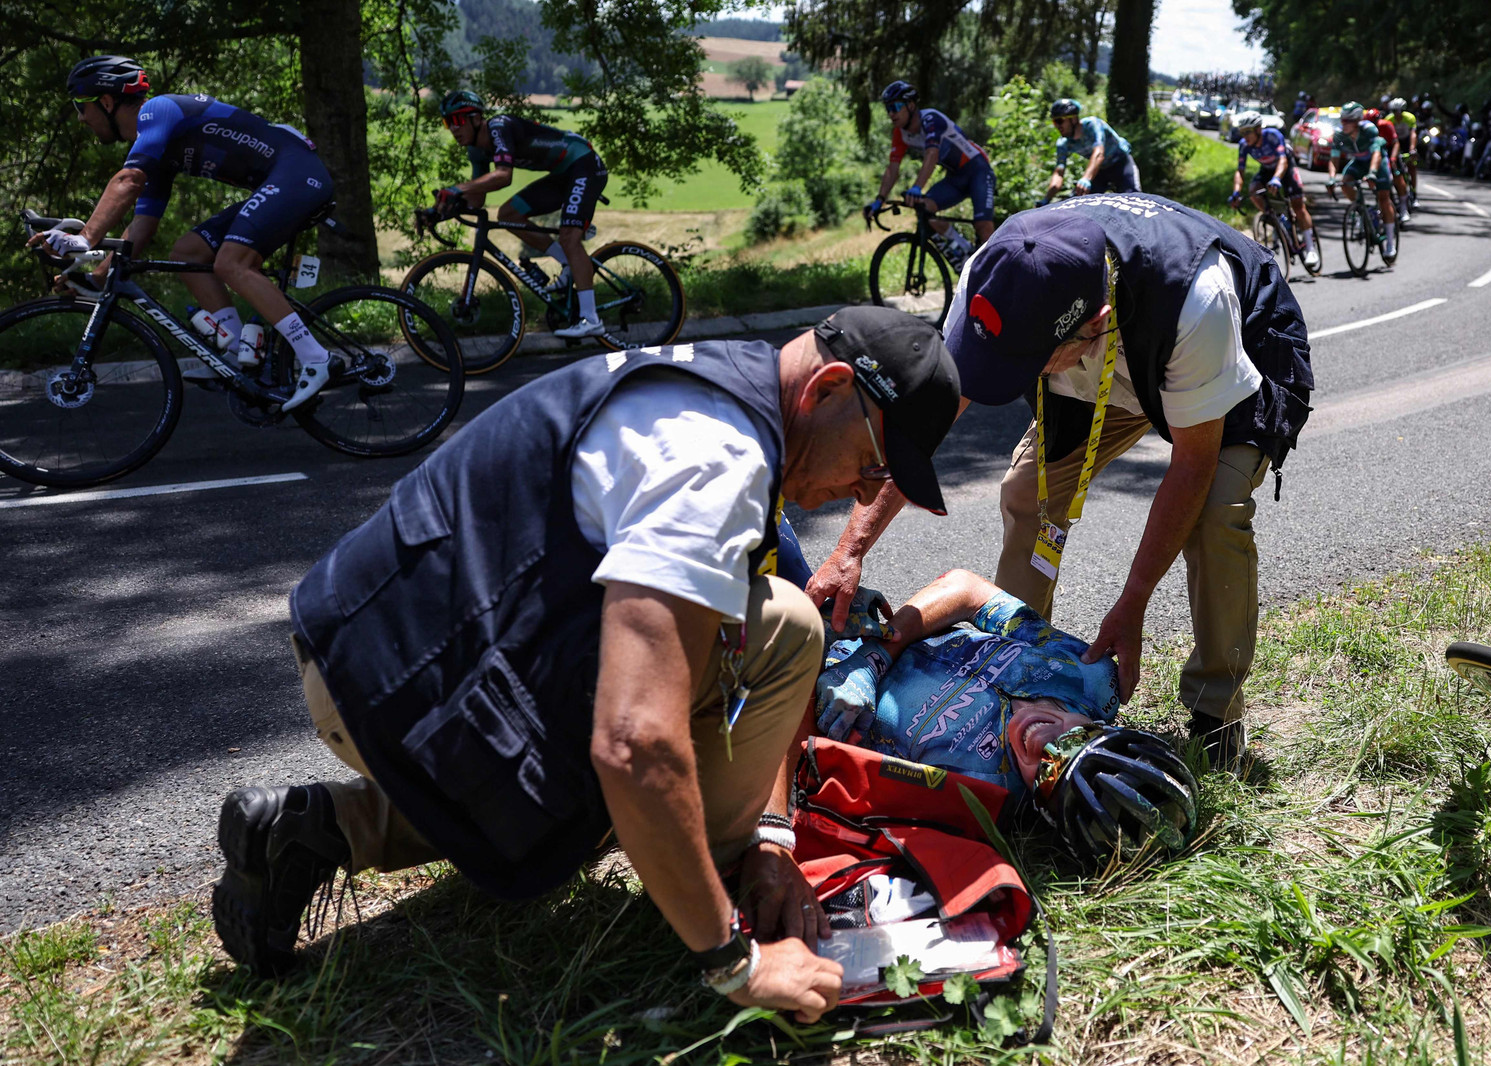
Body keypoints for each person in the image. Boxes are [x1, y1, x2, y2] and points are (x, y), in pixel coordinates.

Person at [209, 306, 964, 1024]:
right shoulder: (717, 459)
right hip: (391, 683)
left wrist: (771, 836)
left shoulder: (734, 391)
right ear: (827, 389)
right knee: (634, 788)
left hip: (389, 645)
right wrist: (735, 964)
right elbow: (634, 743)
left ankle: (323, 828)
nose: (865, 492)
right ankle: (706, 906)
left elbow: (732, 638)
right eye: (873, 464)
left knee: (783, 624)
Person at [808, 195, 1313, 770]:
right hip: (1101, 368)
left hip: (1228, 350)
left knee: (1215, 512)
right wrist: (850, 550)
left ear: (1093, 326)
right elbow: (923, 427)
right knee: (1027, 493)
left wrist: (1133, 602)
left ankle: (1216, 714)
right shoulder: (996, 277)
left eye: (1023, 362)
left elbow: (1192, 465)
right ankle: (1010, 667)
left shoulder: (1197, 300)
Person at [813, 568, 1198, 864]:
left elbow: (823, 761)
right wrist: (875, 654)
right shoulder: (1088, 676)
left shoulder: (975, 794)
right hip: (872, 630)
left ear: (1046, 814)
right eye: (1076, 740)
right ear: (1103, 727)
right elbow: (967, 589)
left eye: (1049, 775)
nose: (1043, 744)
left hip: (806, 670)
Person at [29, 56, 337, 410]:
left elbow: (129, 180)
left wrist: (83, 238)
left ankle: (316, 358)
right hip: (284, 180)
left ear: (107, 102)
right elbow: (142, 227)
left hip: (297, 175)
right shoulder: (156, 148)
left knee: (231, 263)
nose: (81, 119)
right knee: (188, 252)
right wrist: (97, 279)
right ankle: (237, 354)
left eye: (81, 107)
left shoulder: (157, 111)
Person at [435, 90, 610, 338]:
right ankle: (568, 263)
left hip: (584, 164)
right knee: (509, 214)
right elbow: (476, 200)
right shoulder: (476, 151)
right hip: (563, 174)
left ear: (476, 118)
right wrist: (439, 211)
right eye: (447, 122)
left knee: (569, 237)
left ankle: (591, 319)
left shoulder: (498, 127)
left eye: (458, 120)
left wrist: (456, 189)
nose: (453, 128)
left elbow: (503, 176)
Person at [864, 80, 996, 267]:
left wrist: (917, 187)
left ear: (911, 105)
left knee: (983, 225)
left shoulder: (931, 119)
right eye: (888, 109)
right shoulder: (900, 133)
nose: (891, 113)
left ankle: (999, 271)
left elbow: (932, 154)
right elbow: (893, 168)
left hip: (978, 170)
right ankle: (964, 250)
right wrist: (879, 200)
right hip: (955, 178)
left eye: (895, 107)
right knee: (926, 209)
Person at [1228, 110, 1320, 271]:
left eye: (1247, 132)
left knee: (1298, 205)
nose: (1244, 136)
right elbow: (1240, 171)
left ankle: (1311, 249)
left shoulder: (1272, 135)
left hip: (1286, 167)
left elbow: (1283, 160)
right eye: (1242, 132)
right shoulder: (1244, 145)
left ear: (1258, 129)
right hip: (1267, 169)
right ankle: (1277, 218)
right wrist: (1236, 192)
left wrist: (1277, 179)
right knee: (1254, 191)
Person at [1327, 102, 1398, 259]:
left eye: (1348, 121)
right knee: (1345, 184)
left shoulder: (1369, 130)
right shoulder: (1339, 135)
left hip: (1377, 163)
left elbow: (1376, 153)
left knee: (1384, 198)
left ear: (1358, 121)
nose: (1344, 124)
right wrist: (1331, 178)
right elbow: (1334, 159)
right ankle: (1362, 209)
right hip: (1359, 162)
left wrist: (1372, 173)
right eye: (1343, 120)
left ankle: (1390, 242)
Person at [1042, 99, 1141, 201]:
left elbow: (1099, 153)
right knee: (1079, 200)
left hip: (1121, 163)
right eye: (1054, 122)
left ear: (1073, 119)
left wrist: (1086, 178)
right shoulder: (1064, 143)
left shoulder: (1093, 125)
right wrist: (1046, 200)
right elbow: (1059, 173)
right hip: (1100, 170)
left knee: (1134, 199)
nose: (1058, 126)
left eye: (1059, 121)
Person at [1365, 108, 1412, 224]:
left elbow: (1396, 143)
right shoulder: (1366, 130)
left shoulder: (1386, 125)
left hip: (1390, 151)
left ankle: (1404, 208)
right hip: (1376, 153)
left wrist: (1393, 159)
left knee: (1398, 177)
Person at [1388, 97, 1419, 202]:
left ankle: (1414, 193)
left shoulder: (1410, 118)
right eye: (1394, 111)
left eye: (1399, 111)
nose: (1397, 114)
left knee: (1412, 166)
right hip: (1394, 143)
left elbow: (1413, 134)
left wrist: (1412, 149)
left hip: (1407, 142)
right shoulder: (1389, 119)